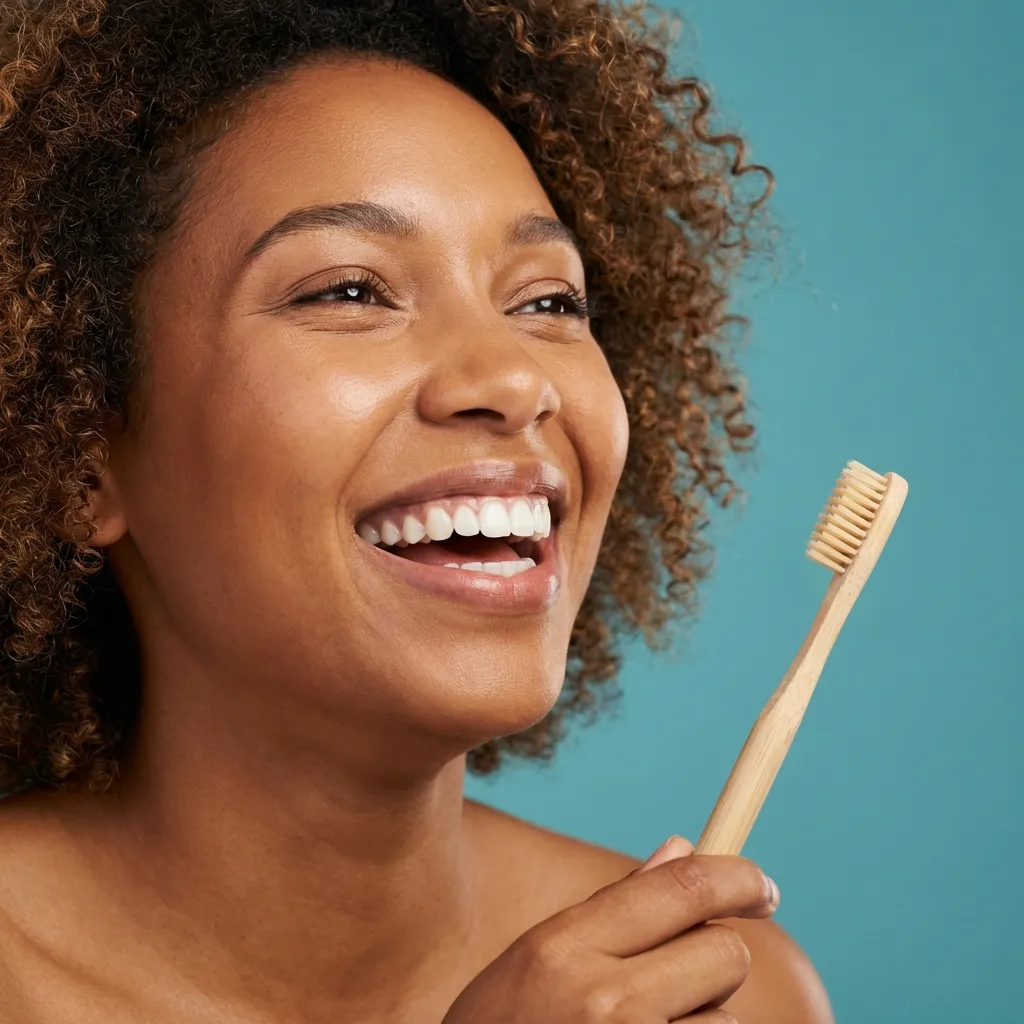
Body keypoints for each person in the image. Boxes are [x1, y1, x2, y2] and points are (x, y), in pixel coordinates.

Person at [0, 1, 834, 1021]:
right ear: (77, 461)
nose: (512, 378)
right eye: (350, 291)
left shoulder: (728, 996)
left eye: (546, 302)